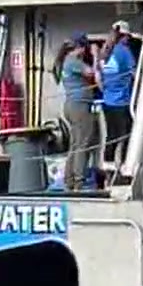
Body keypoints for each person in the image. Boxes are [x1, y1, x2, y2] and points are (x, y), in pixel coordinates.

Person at [58, 32, 99, 191]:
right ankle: (79, 181)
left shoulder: (67, 61)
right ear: (81, 47)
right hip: (79, 105)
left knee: (75, 144)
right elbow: (91, 72)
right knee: (83, 143)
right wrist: (96, 57)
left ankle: (69, 179)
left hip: (71, 104)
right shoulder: (73, 61)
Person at [98, 21, 136, 179]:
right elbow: (136, 73)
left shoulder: (106, 51)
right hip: (122, 101)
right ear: (124, 36)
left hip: (107, 100)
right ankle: (125, 168)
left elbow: (99, 76)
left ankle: (109, 168)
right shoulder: (124, 52)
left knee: (111, 135)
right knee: (126, 136)